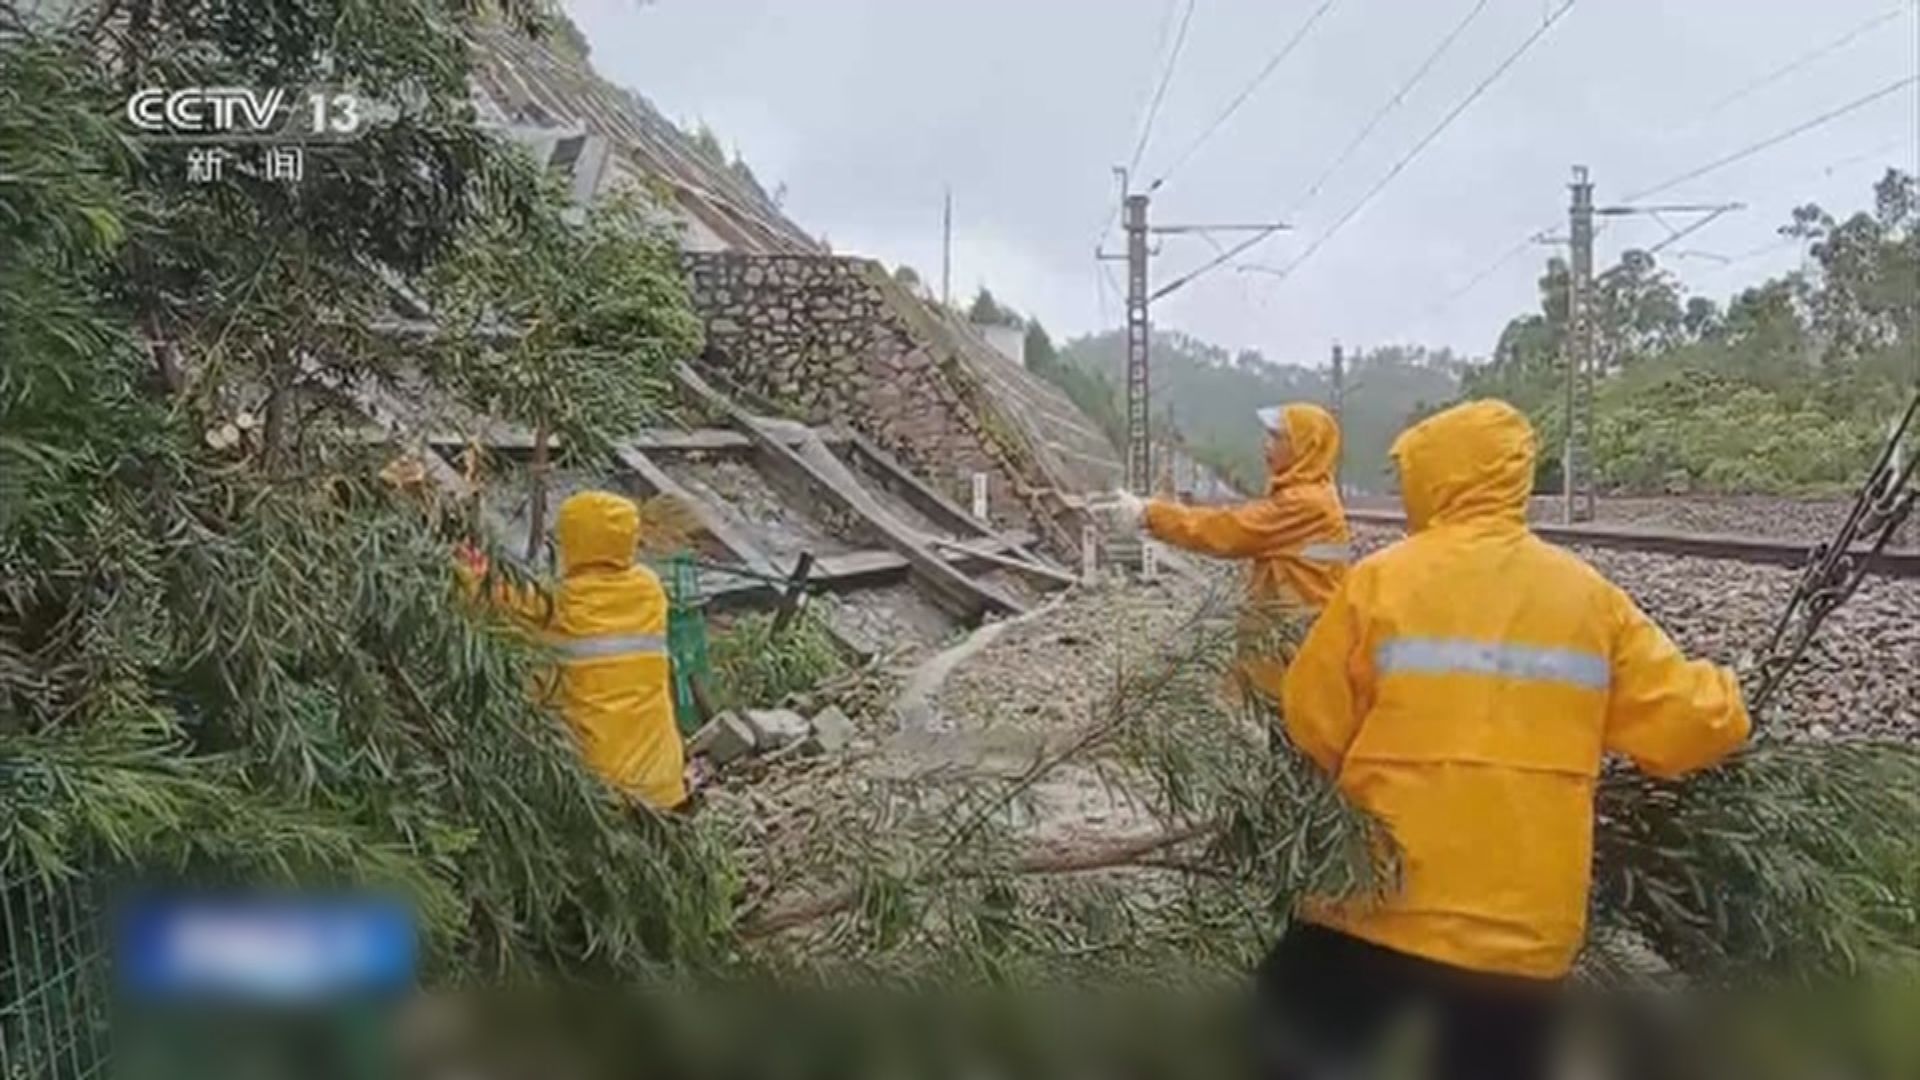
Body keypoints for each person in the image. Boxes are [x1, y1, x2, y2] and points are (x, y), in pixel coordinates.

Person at [1261, 399, 1751, 1080]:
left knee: (1296, 1044)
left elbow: (1312, 718)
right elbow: (1688, 730)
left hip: (1374, 899)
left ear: (1435, 477)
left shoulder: (1383, 582)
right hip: (1519, 936)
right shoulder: (1589, 599)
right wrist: (1729, 693)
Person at [456, 490, 688, 811]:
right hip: (662, 782)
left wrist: (467, 572)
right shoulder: (649, 590)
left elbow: (490, 600)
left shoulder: (561, 604)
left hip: (599, 787)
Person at [1107, 402, 1350, 700]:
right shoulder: (1312, 495)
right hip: (1295, 633)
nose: (1266, 444)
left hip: (1297, 640)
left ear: (1305, 447)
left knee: (1293, 725)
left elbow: (1229, 531)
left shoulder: (1305, 504)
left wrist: (1151, 514)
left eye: (1277, 437)